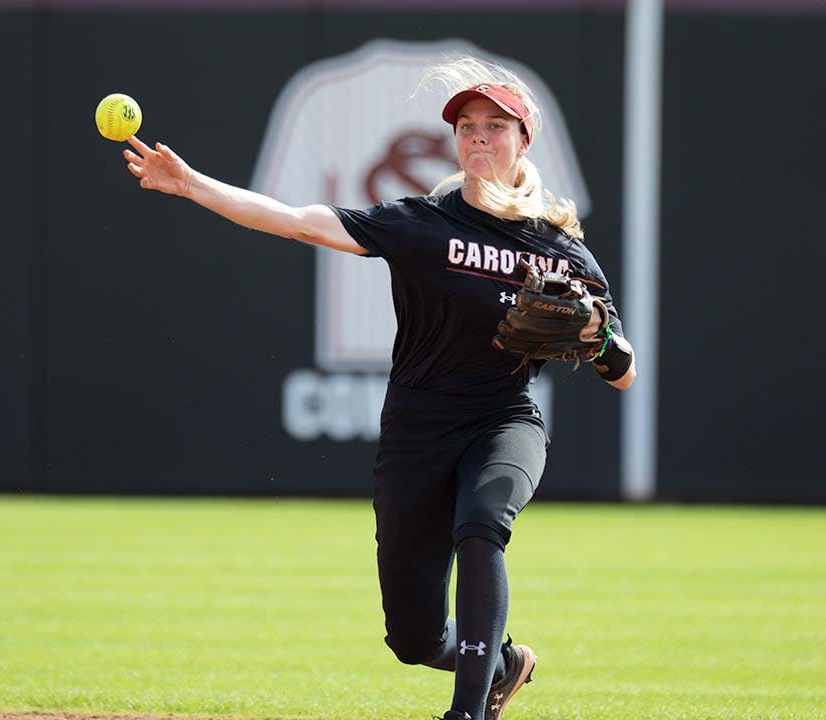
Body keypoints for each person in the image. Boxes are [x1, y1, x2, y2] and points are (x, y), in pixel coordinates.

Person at [121, 56, 636, 720]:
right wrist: (194, 186)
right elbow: (298, 220)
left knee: (482, 527)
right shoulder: (424, 223)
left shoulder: (562, 252)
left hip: (504, 419)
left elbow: (624, 372)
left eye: (495, 127)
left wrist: (597, 338)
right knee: (414, 637)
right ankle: (505, 662)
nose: (479, 138)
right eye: (468, 127)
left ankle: (467, 713)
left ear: (523, 140)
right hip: (418, 429)